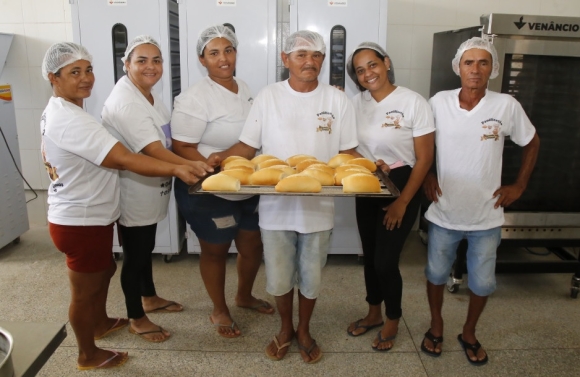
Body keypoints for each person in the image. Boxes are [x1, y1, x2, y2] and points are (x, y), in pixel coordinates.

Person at [40, 42, 210, 370]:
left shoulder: (65, 110)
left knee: (105, 270)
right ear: (53, 77)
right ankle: (87, 353)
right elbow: (126, 158)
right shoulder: (73, 121)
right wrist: (178, 168)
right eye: (74, 72)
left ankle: (101, 322)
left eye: (88, 69)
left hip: (91, 214)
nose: (86, 78)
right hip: (79, 219)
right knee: (84, 292)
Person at [211, 30, 358, 363]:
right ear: (285, 59)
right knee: (278, 276)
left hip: (318, 207)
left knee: (312, 275)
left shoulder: (337, 100)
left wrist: (370, 167)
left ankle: (304, 329)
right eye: (302, 55)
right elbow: (248, 145)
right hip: (276, 206)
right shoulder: (268, 96)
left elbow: (347, 151)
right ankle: (284, 328)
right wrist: (218, 158)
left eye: (316, 55)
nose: (310, 62)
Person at [421, 37, 540, 365]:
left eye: (483, 62)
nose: (475, 69)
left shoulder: (506, 106)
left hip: (486, 215)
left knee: (484, 281)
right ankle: (436, 323)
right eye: (469, 62)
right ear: (457, 67)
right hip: (445, 210)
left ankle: (469, 332)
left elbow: (531, 142)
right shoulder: (438, 103)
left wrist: (519, 185)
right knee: (435, 272)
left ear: (493, 68)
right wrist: (428, 174)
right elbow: (421, 144)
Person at [101, 36, 210, 342]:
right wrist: (186, 167)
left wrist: (193, 158)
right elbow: (151, 149)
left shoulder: (147, 94)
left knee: (145, 246)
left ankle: (149, 296)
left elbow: (167, 137)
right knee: (135, 253)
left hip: (152, 186)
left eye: (157, 60)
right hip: (133, 188)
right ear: (126, 64)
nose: (151, 67)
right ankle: (136, 315)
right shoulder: (125, 101)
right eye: (142, 60)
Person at [171, 25, 275, 339]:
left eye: (228, 50)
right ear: (202, 59)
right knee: (215, 250)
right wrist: (213, 163)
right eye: (214, 53)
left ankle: (244, 295)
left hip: (245, 185)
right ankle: (219, 308)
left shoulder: (243, 87)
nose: (223, 59)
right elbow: (181, 147)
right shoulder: (194, 98)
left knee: (252, 244)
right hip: (209, 187)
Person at [344, 42, 434, 351]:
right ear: (356, 78)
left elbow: (424, 158)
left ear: (386, 62)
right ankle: (373, 314)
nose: (368, 73)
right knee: (370, 255)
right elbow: (347, 146)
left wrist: (402, 202)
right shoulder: (356, 103)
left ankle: (393, 318)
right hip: (368, 180)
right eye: (360, 70)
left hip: (403, 182)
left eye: (372, 64)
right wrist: (369, 164)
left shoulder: (413, 102)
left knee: (385, 261)